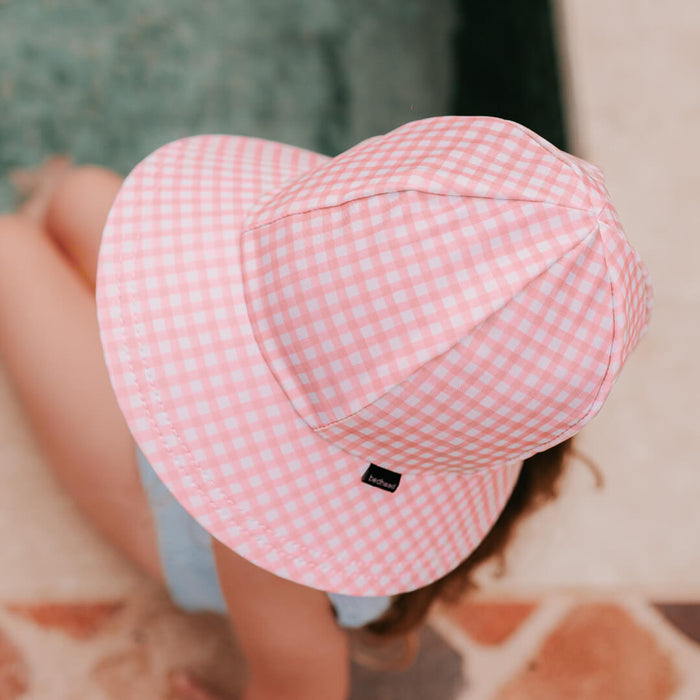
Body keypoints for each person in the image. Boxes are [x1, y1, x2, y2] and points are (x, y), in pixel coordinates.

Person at [0, 116, 652, 700]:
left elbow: (302, 687)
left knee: (12, 248)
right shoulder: (472, 424)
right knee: (81, 195)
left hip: (173, 513)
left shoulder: (268, 541)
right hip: (278, 466)